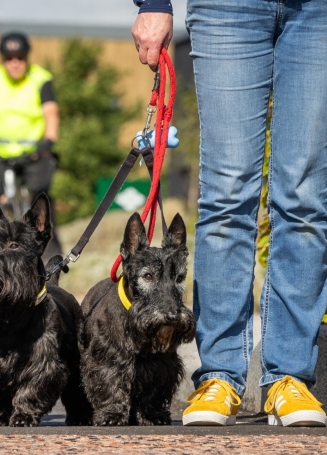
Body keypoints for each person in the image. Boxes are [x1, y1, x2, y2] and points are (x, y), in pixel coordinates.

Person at [132, 0, 327, 426]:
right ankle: (220, 375)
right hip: (228, 9)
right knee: (226, 196)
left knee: (306, 201)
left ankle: (289, 376)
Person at [0, 31, 61, 256]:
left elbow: (51, 112)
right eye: (9, 58)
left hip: (33, 152)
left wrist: (48, 142)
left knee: (40, 196)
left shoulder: (40, 78)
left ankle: (50, 254)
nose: (15, 63)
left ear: (27, 58)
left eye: (20, 58)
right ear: (2, 59)